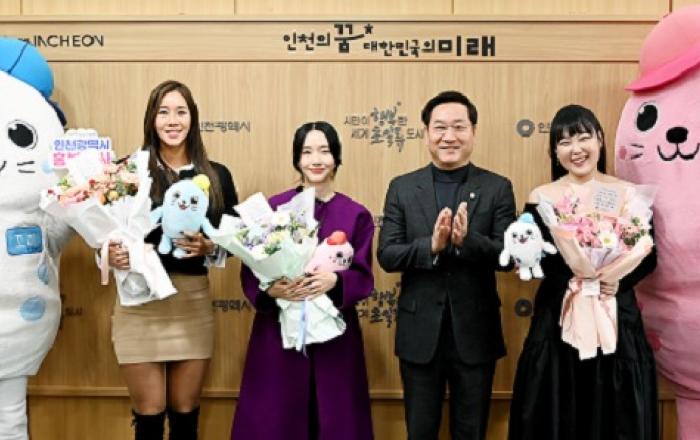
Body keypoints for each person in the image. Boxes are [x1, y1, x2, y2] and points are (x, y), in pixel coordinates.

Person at [508, 104, 658, 440]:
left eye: (583, 137)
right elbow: (540, 259)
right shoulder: (542, 197)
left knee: (615, 412)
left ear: (600, 139)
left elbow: (649, 254)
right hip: (559, 319)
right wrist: (577, 276)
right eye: (564, 142)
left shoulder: (627, 194)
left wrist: (617, 280)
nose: (575, 149)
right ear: (554, 151)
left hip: (614, 316)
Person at [377, 90, 516, 440]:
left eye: (459, 127)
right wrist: (432, 246)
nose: (449, 136)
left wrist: (467, 241)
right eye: (439, 127)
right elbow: (388, 254)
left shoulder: (498, 187)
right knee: (420, 431)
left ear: (473, 132)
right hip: (419, 333)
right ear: (426, 133)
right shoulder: (402, 187)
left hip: (476, 332)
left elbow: (508, 256)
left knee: (472, 431)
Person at [105, 80, 238, 440]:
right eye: (163, 112)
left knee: (185, 415)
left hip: (191, 302)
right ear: (152, 119)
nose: (172, 120)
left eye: (181, 112)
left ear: (193, 118)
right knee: (149, 416)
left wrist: (210, 247)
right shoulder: (128, 171)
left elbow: (236, 239)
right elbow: (103, 232)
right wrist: (110, 254)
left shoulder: (217, 175)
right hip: (139, 302)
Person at [231, 121, 374, 440]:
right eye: (307, 152)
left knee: (335, 418)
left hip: (335, 336)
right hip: (278, 332)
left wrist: (334, 281)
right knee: (277, 419)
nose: (316, 160)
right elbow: (250, 268)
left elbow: (363, 273)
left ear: (336, 157)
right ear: (297, 159)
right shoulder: (274, 208)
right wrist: (272, 289)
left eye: (324, 151)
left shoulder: (356, 214)